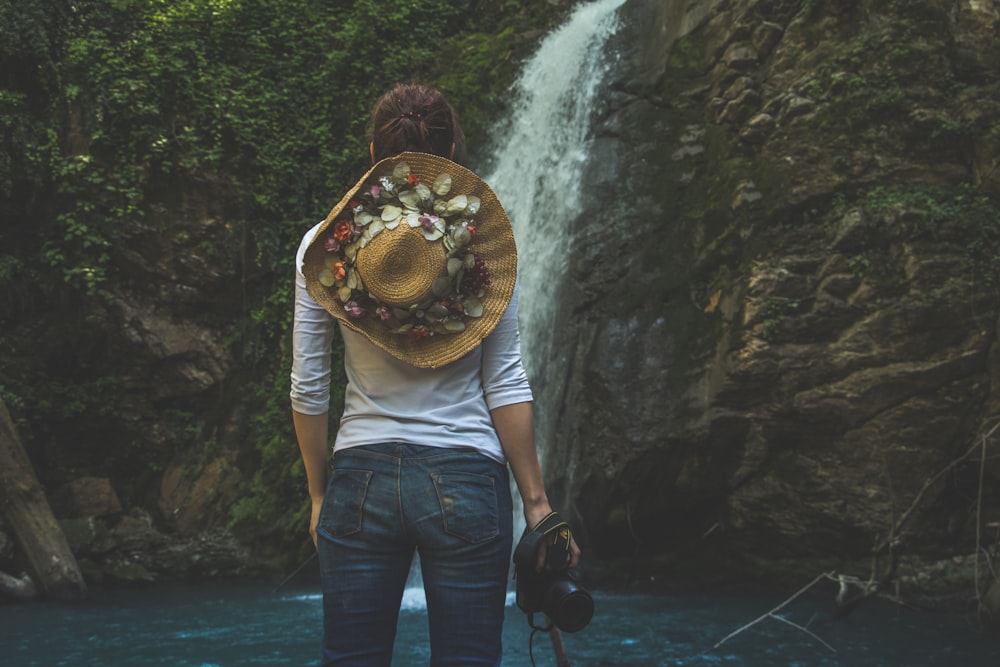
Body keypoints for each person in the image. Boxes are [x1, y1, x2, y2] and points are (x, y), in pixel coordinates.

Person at [290, 82, 581, 666]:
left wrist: (320, 495)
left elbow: (308, 385)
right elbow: (505, 382)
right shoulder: (488, 253)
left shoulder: (324, 250)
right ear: (453, 156)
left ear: (375, 154)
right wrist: (538, 504)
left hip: (361, 477)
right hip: (466, 476)